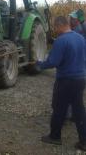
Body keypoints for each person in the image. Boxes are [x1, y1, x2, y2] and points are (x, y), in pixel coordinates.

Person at [36, 16, 86, 151]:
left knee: (58, 108)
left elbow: (53, 62)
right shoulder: (81, 38)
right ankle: (84, 141)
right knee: (79, 110)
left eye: (54, 27)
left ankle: (55, 136)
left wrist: (40, 65)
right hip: (81, 79)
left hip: (66, 80)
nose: (54, 30)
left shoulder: (61, 40)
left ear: (59, 25)